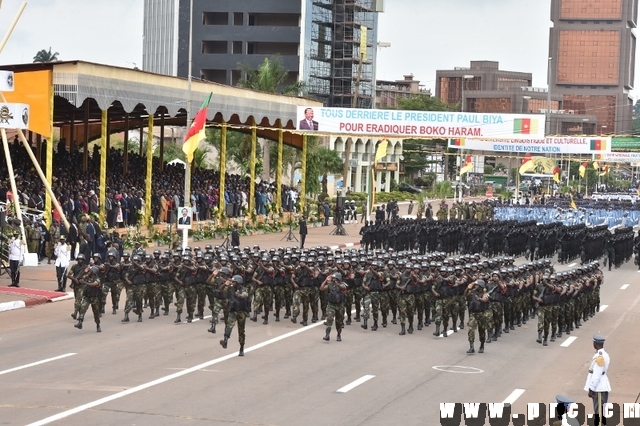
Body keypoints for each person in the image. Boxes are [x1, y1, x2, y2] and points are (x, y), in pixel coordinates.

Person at [220, 274, 249, 357]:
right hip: (233, 311)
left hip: (241, 312)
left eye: (234, 282)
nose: (233, 283)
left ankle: (241, 348)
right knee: (229, 326)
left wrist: (238, 295)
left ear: (239, 283)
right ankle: (225, 340)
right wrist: (225, 284)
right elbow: (221, 290)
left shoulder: (244, 289)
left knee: (241, 330)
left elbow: (245, 295)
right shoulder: (230, 288)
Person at [585, 333, 611, 426]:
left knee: (599, 416)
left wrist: (591, 388)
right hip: (601, 387)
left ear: (595, 344)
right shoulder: (603, 354)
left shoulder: (600, 356)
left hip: (599, 388)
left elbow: (597, 374)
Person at [74, 265, 103, 332]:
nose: (89, 272)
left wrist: (85, 283)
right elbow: (79, 277)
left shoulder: (97, 279)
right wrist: (84, 271)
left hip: (94, 298)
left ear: (94, 272)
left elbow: (92, 284)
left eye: (91, 271)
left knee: (96, 313)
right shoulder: (87, 276)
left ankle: (98, 325)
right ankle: (80, 322)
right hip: (87, 296)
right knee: (82, 308)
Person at [320, 272, 347, 342]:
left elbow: (344, 288)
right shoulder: (330, 285)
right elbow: (322, 288)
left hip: (340, 305)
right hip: (331, 305)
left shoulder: (342, 284)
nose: (334, 279)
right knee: (329, 319)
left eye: (335, 278)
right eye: (333, 278)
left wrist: (337, 284)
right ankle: (327, 335)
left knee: (339, 321)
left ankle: (339, 334)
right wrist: (326, 280)